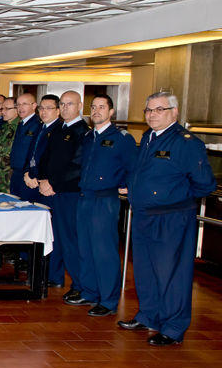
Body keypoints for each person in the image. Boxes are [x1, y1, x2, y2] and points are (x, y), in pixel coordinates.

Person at [120, 92, 216, 346]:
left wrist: (174, 199)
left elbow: (204, 184)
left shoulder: (185, 142)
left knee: (172, 274)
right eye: (149, 110)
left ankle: (173, 327)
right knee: (145, 270)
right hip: (143, 215)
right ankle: (149, 315)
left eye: (159, 110)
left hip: (171, 218)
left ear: (174, 112)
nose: (152, 115)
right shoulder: (148, 137)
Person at [76, 95, 136, 318]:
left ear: (111, 112)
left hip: (105, 199)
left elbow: (133, 167)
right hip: (85, 197)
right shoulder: (88, 137)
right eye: (94, 107)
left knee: (104, 251)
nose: (97, 111)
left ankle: (108, 300)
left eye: (102, 107)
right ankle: (90, 291)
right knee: (85, 248)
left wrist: (123, 185)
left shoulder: (121, 138)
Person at [37, 90, 90, 295]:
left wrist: (52, 183)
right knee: (53, 236)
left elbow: (77, 166)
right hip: (49, 189)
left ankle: (78, 285)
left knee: (70, 239)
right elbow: (45, 157)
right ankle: (54, 276)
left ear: (79, 106)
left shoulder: (82, 132)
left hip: (68, 192)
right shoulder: (59, 129)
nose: (65, 108)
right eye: (63, 104)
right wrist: (43, 180)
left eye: (70, 104)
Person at [9, 93, 40, 201]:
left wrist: (31, 173)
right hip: (16, 173)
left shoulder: (37, 124)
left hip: (27, 175)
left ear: (34, 105)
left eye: (24, 104)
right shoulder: (21, 124)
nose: (20, 108)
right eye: (18, 105)